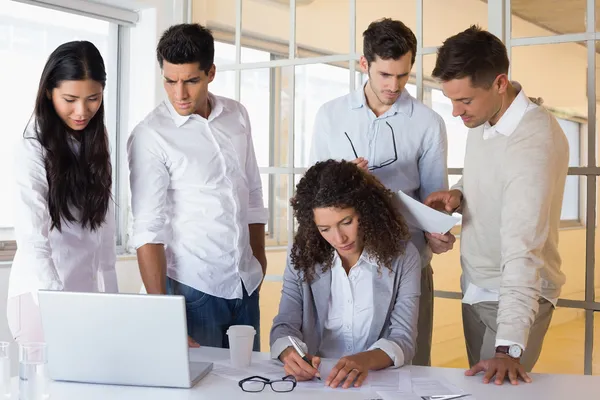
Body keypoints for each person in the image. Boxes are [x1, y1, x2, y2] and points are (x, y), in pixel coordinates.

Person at [425, 26, 569, 385]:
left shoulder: (533, 143)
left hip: (515, 297)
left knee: (494, 391)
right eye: (451, 100)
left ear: (500, 83)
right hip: (476, 287)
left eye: (465, 101)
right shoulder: (486, 117)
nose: (457, 112)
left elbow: (524, 246)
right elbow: (493, 178)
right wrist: (459, 193)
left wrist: (508, 350)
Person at [309, 18, 451, 366]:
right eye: (385, 75)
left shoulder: (428, 123)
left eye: (403, 75)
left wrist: (440, 233)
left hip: (406, 267)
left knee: (409, 368)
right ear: (364, 64)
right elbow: (314, 193)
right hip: (341, 268)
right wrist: (343, 180)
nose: (394, 85)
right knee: (335, 370)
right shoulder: (329, 116)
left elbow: (435, 201)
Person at [127, 23, 267, 350]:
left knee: (248, 386)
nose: (180, 94)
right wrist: (162, 316)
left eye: (191, 80)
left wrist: (258, 259)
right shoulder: (151, 135)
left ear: (211, 73)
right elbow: (148, 228)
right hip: (194, 291)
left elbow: (253, 190)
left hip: (245, 284)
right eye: (170, 81)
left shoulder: (237, 115)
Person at [270, 160, 421, 389]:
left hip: (377, 380)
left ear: (366, 211)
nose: (339, 239)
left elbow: (404, 338)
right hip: (318, 382)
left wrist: (364, 360)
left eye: (346, 222)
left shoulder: (403, 256)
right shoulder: (302, 256)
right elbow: (284, 325)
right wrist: (289, 352)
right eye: (325, 229)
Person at [8, 41, 117, 343]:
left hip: (86, 296)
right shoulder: (31, 147)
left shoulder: (97, 139)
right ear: (48, 92)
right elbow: (33, 241)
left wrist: (115, 299)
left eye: (93, 99)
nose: (82, 111)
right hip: (39, 297)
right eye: (70, 99)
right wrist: (59, 305)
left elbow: (104, 232)